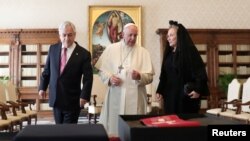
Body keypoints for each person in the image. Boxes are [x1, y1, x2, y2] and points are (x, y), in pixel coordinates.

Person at [95, 23, 154, 136]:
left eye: (135, 35)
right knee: (114, 129)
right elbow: (102, 72)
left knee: (134, 130)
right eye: (130, 35)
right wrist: (110, 78)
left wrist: (139, 76)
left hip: (136, 97)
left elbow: (150, 77)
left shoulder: (143, 52)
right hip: (115, 97)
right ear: (122, 35)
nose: (133, 38)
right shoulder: (111, 49)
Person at [38, 21, 93, 124]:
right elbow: (47, 71)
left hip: (72, 100)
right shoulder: (53, 49)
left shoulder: (84, 54)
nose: (67, 38)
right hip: (56, 98)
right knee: (59, 132)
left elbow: (88, 78)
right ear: (59, 35)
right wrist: (42, 87)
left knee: (68, 133)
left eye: (70, 35)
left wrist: (84, 95)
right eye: (64, 35)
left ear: (75, 35)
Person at [156, 20, 209, 114]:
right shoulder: (168, 54)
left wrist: (198, 89)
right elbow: (164, 75)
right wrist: (160, 90)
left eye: (171, 35)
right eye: (168, 36)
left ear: (179, 36)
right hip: (170, 97)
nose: (168, 38)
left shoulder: (190, 52)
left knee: (185, 125)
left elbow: (200, 73)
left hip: (185, 97)